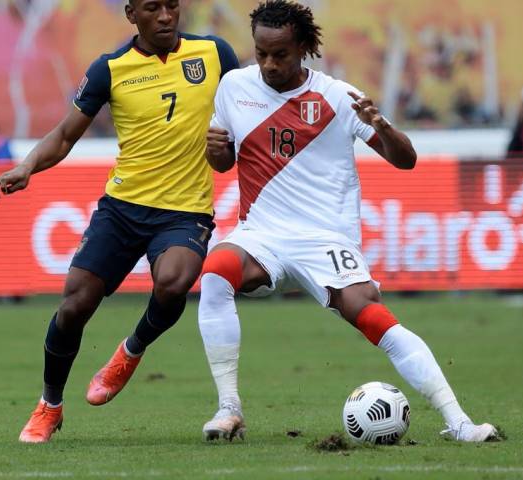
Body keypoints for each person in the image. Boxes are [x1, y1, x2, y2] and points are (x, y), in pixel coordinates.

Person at [197, 0, 497, 443]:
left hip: (325, 237)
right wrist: (215, 147)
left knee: (375, 318)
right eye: (261, 53)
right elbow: (222, 163)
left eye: (280, 54)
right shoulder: (234, 86)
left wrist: (383, 127)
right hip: (262, 233)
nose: (268, 64)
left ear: (303, 48)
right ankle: (229, 408)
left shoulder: (339, 96)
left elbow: (406, 160)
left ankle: (460, 422)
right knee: (215, 274)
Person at [0, 0, 238, 443]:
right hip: (122, 209)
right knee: (74, 306)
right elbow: (65, 135)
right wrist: (26, 166)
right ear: (131, 14)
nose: (165, 16)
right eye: (152, 8)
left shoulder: (215, 54)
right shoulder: (110, 68)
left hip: (184, 210)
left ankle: (131, 350)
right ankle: (49, 405)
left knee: (174, 282)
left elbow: (248, 118)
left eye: (171, 6)